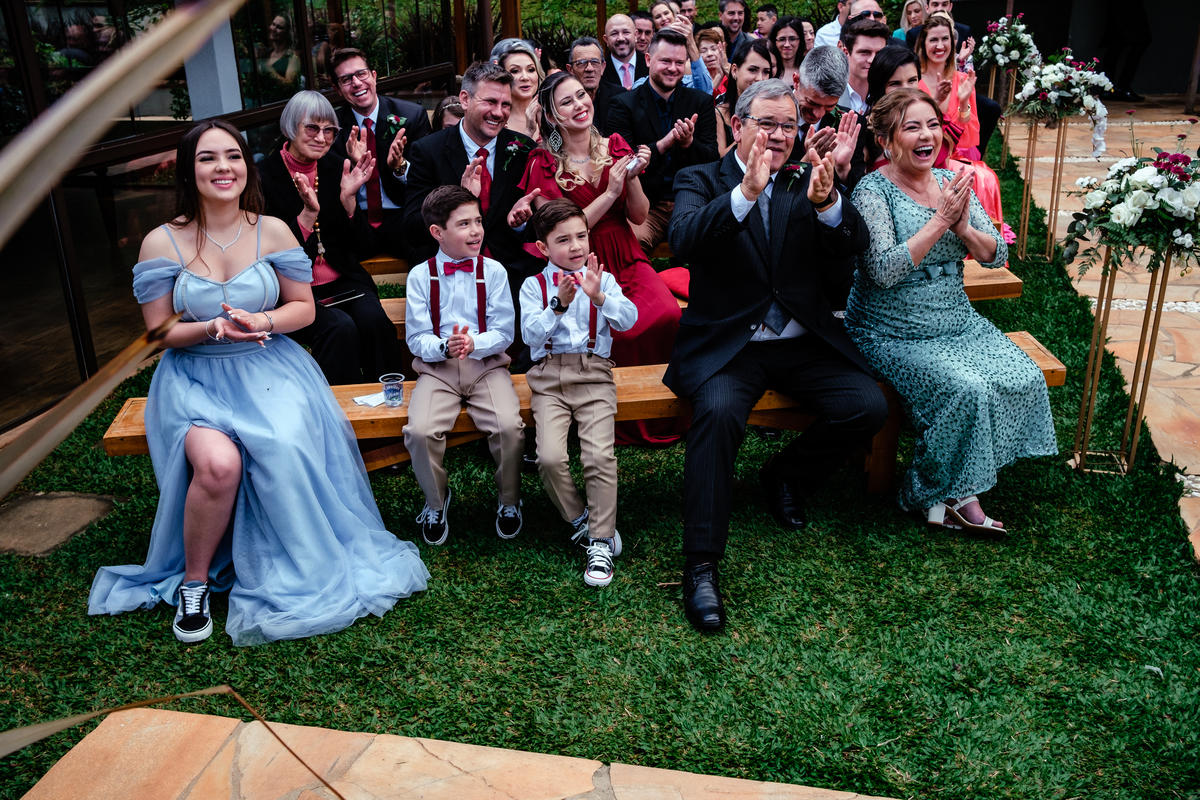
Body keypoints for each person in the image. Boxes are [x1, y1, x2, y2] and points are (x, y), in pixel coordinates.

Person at [88, 120, 429, 646]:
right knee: (219, 464)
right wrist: (211, 328)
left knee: (285, 444)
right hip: (195, 379)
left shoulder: (271, 230)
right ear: (188, 169)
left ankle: (295, 557)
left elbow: (303, 307)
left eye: (232, 156)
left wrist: (262, 322)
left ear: (247, 166)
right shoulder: (162, 241)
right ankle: (194, 584)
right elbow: (159, 333)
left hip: (270, 368)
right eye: (207, 158)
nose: (222, 168)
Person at [666, 79, 886, 632]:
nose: (779, 135)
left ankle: (784, 476)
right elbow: (686, 239)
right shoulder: (700, 178)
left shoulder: (804, 179)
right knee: (716, 417)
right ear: (738, 124)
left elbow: (848, 254)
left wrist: (829, 202)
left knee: (867, 404)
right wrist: (743, 193)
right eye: (767, 123)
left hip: (800, 341)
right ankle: (701, 566)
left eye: (789, 125)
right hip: (731, 346)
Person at [844, 89, 1056, 532]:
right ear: (886, 140)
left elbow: (996, 254)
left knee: (1022, 375)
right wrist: (940, 222)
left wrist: (963, 226)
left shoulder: (951, 182)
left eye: (933, 125)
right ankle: (937, 494)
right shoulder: (872, 191)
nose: (927, 136)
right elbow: (882, 270)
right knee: (966, 390)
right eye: (912, 127)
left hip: (956, 320)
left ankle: (966, 477)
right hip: (890, 330)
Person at [516, 71, 684, 446]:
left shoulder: (615, 144)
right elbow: (558, 231)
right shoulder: (542, 162)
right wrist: (609, 193)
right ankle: (612, 417)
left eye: (581, 95)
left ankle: (661, 408)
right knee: (617, 329)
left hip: (624, 251)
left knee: (667, 314)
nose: (580, 105)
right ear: (553, 115)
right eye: (567, 102)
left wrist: (632, 177)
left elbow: (639, 217)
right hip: (579, 262)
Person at [521, 200, 638, 585]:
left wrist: (600, 297)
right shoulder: (533, 286)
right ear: (542, 248)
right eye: (563, 240)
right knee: (550, 458)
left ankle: (601, 542)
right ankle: (581, 519)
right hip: (548, 377)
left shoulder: (601, 279)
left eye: (581, 236)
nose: (575, 246)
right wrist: (559, 305)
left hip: (594, 373)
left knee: (599, 455)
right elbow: (529, 337)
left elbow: (629, 319)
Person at [404, 186, 526, 545]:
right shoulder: (420, 276)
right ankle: (436, 501)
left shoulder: (494, 271)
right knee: (420, 431)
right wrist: (444, 346)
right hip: (438, 370)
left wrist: (476, 343)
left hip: (486, 365)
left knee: (508, 426)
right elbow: (416, 338)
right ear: (437, 233)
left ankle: (509, 499)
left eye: (478, 221)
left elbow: (505, 331)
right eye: (464, 224)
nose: (476, 231)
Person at [403, 61, 543, 370]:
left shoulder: (522, 149)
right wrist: (458, 197)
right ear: (465, 100)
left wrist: (523, 224)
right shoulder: (427, 151)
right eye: (490, 102)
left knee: (540, 300)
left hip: (509, 261)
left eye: (506, 104)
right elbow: (412, 227)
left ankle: (529, 378)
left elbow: (535, 226)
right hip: (450, 266)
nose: (499, 112)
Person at [261, 91, 402, 385]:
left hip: (343, 279)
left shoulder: (338, 167)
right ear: (290, 127)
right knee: (339, 328)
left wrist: (350, 202)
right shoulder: (262, 177)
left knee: (374, 321)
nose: (322, 138)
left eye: (329, 130)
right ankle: (344, 412)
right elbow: (265, 253)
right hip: (292, 289)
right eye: (311, 128)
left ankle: (391, 398)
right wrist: (307, 217)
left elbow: (364, 248)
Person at [860, 46, 1007, 230]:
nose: (906, 90)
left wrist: (961, 103)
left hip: (937, 209)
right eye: (895, 83)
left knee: (984, 178)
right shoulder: (865, 129)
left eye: (912, 80)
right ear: (880, 85)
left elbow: (958, 144)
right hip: (889, 221)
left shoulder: (927, 118)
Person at [607, 28, 720, 253]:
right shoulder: (622, 104)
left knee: (717, 244)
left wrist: (688, 143)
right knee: (631, 244)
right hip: (647, 204)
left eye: (679, 63)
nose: (672, 68)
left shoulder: (701, 102)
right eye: (665, 61)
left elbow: (712, 158)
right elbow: (620, 160)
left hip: (692, 199)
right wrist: (664, 143)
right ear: (648, 60)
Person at [331, 47, 433, 261]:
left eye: (361, 74)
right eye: (346, 79)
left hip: (400, 212)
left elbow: (428, 178)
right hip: (356, 218)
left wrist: (400, 167)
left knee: (427, 250)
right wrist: (357, 165)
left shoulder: (411, 116)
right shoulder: (333, 129)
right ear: (338, 89)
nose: (357, 83)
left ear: (374, 76)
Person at [916, 13, 978, 159]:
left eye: (945, 39)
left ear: (952, 42)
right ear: (923, 44)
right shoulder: (913, 81)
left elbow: (969, 138)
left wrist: (963, 103)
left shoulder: (964, 80)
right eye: (933, 40)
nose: (940, 45)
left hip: (959, 157)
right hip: (923, 157)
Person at [716, 39, 776, 155]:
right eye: (752, 70)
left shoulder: (775, 112)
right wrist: (748, 130)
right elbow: (719, 159)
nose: (760, 78)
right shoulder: (720, 114)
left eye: (766, 72)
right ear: (734, 71)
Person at [567, 36, 622, 134]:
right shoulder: (563, 102)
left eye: (595, 62)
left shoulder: (620, 96)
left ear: (603, 67)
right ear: (570, 69)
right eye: (582, 63)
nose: (589, 68)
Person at [837, 17, 891, 114]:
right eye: (864, 52)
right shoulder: (828, 93)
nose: (872, 60)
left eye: (879, 53)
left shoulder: (890, 95)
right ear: (846, 53)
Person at [496, 39, 544, 141]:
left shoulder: (552, 114)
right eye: (515, 71)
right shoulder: (496, 120)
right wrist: (529, 132)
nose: (525, 77)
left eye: (531, 70)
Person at [602, 14, 649, 91]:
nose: (621, 38)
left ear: (635, 35)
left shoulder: (650, 65)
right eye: (614, 33)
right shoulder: (600, 70)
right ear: (606, 39)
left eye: (626, 32)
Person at [259, 14, 300, 99]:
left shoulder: (292, 57)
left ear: (287, 33)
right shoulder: (266, 54)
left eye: (279, 27)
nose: (273, 29)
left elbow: (290, 86)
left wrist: (269, 70)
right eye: (273, 24)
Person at [768, 16, 807, 88]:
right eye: (782, 39)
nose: (787, 44)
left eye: (792, 39)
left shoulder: (808, 70)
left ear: (800, 40)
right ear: (774, 41)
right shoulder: (767, 70)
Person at [698, 28, 730, 98]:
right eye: (704, 51)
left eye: (713, 49)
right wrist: (718, 77)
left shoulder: (732, 72)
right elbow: (703, 103)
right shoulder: (697, 79)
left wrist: (726, 70)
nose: (709, 54)